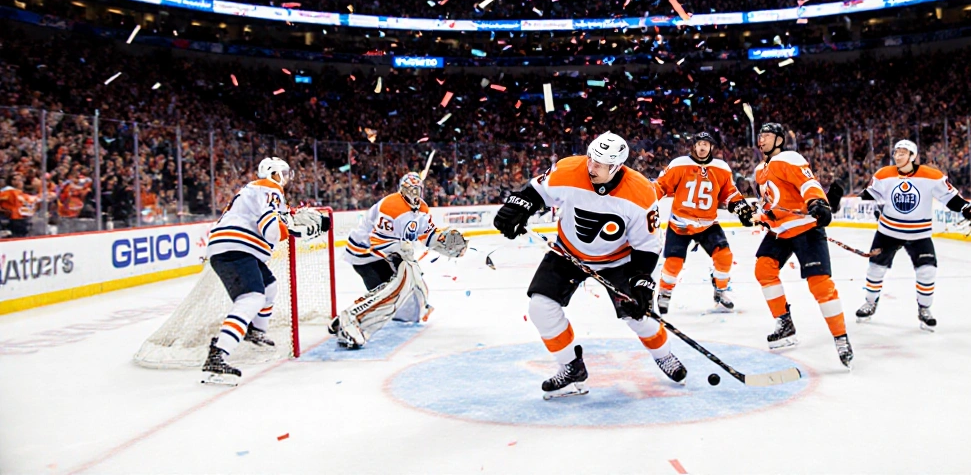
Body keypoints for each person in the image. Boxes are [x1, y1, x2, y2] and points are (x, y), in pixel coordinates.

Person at [493, 131, 685, 399]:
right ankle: (571, 367)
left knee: (638, 313)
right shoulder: (570, 168)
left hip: (618, 260)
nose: (590, 166)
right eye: (591, 158)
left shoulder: (641, 193)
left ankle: (663, 355)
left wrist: (641, 280)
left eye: (599, 164)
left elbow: (647, 245)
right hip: (568, 251)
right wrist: (517, 208)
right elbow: (536, 191)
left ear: (616, 167)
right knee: (540, 307)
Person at [200, 158, 329, 385]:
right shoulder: (269, 188)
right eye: (283, 173)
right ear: (273, 173)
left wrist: (290, 220)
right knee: (251, 298)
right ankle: (219, 353)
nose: (286, 178)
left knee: (270, 287)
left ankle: (255, 331)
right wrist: (294, 231)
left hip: (237, 248)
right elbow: (270, 229)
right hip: (236, 247)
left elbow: (279, 215)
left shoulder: (255, 190)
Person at [750, 122, 853, 368]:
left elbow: (808, 183)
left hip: (805, 227)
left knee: (820, 285)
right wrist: (760, 216)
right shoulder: (759, 171)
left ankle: (840, 338)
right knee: (763, 269)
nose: (762, 140)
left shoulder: (788, 158)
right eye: (760, 136)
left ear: (778, 140)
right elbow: (771, 204)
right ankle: (784, 323)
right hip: (780, 231)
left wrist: (819, 202)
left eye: (767, 135)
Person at [853, 140, 971, 331]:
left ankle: (925, 309)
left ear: (913, 156)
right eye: (896, 152)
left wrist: (966, 207)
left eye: (903, 152)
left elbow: (950, 198)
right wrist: (842, 202)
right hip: (888, 232)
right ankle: (870, 303)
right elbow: (869, 196)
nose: (897, 156)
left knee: (927, 271)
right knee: (875, 269)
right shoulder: (883, 174)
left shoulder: (931, 176)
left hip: (919, 234)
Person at [331, 172, 468, 349]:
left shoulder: (422, 210)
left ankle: (354, 316)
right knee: (395, 290)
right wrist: (399, 250)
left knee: (409, 294)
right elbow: (376, 242)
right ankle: (351, 319)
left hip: (388, 254)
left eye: (417, 189)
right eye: (409, 189)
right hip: (365, 254)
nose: (413, 192)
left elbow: (428, 235)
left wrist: (444, 242)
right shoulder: (391, 206)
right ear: (402, 190)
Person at [652, 131, 755, 314]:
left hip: (708, 224)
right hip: (680, 224)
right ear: (694, 146)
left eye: (705, 144)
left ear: (711, 147)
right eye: (699, 143)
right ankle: (665, 293)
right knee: (673, 263)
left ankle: (720, 291)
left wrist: (741, 208)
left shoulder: (721, 168)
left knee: (724, 256)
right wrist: (645, 202)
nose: (702, 147)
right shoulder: (679, 164)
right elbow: (660, 187)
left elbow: (729, 192)